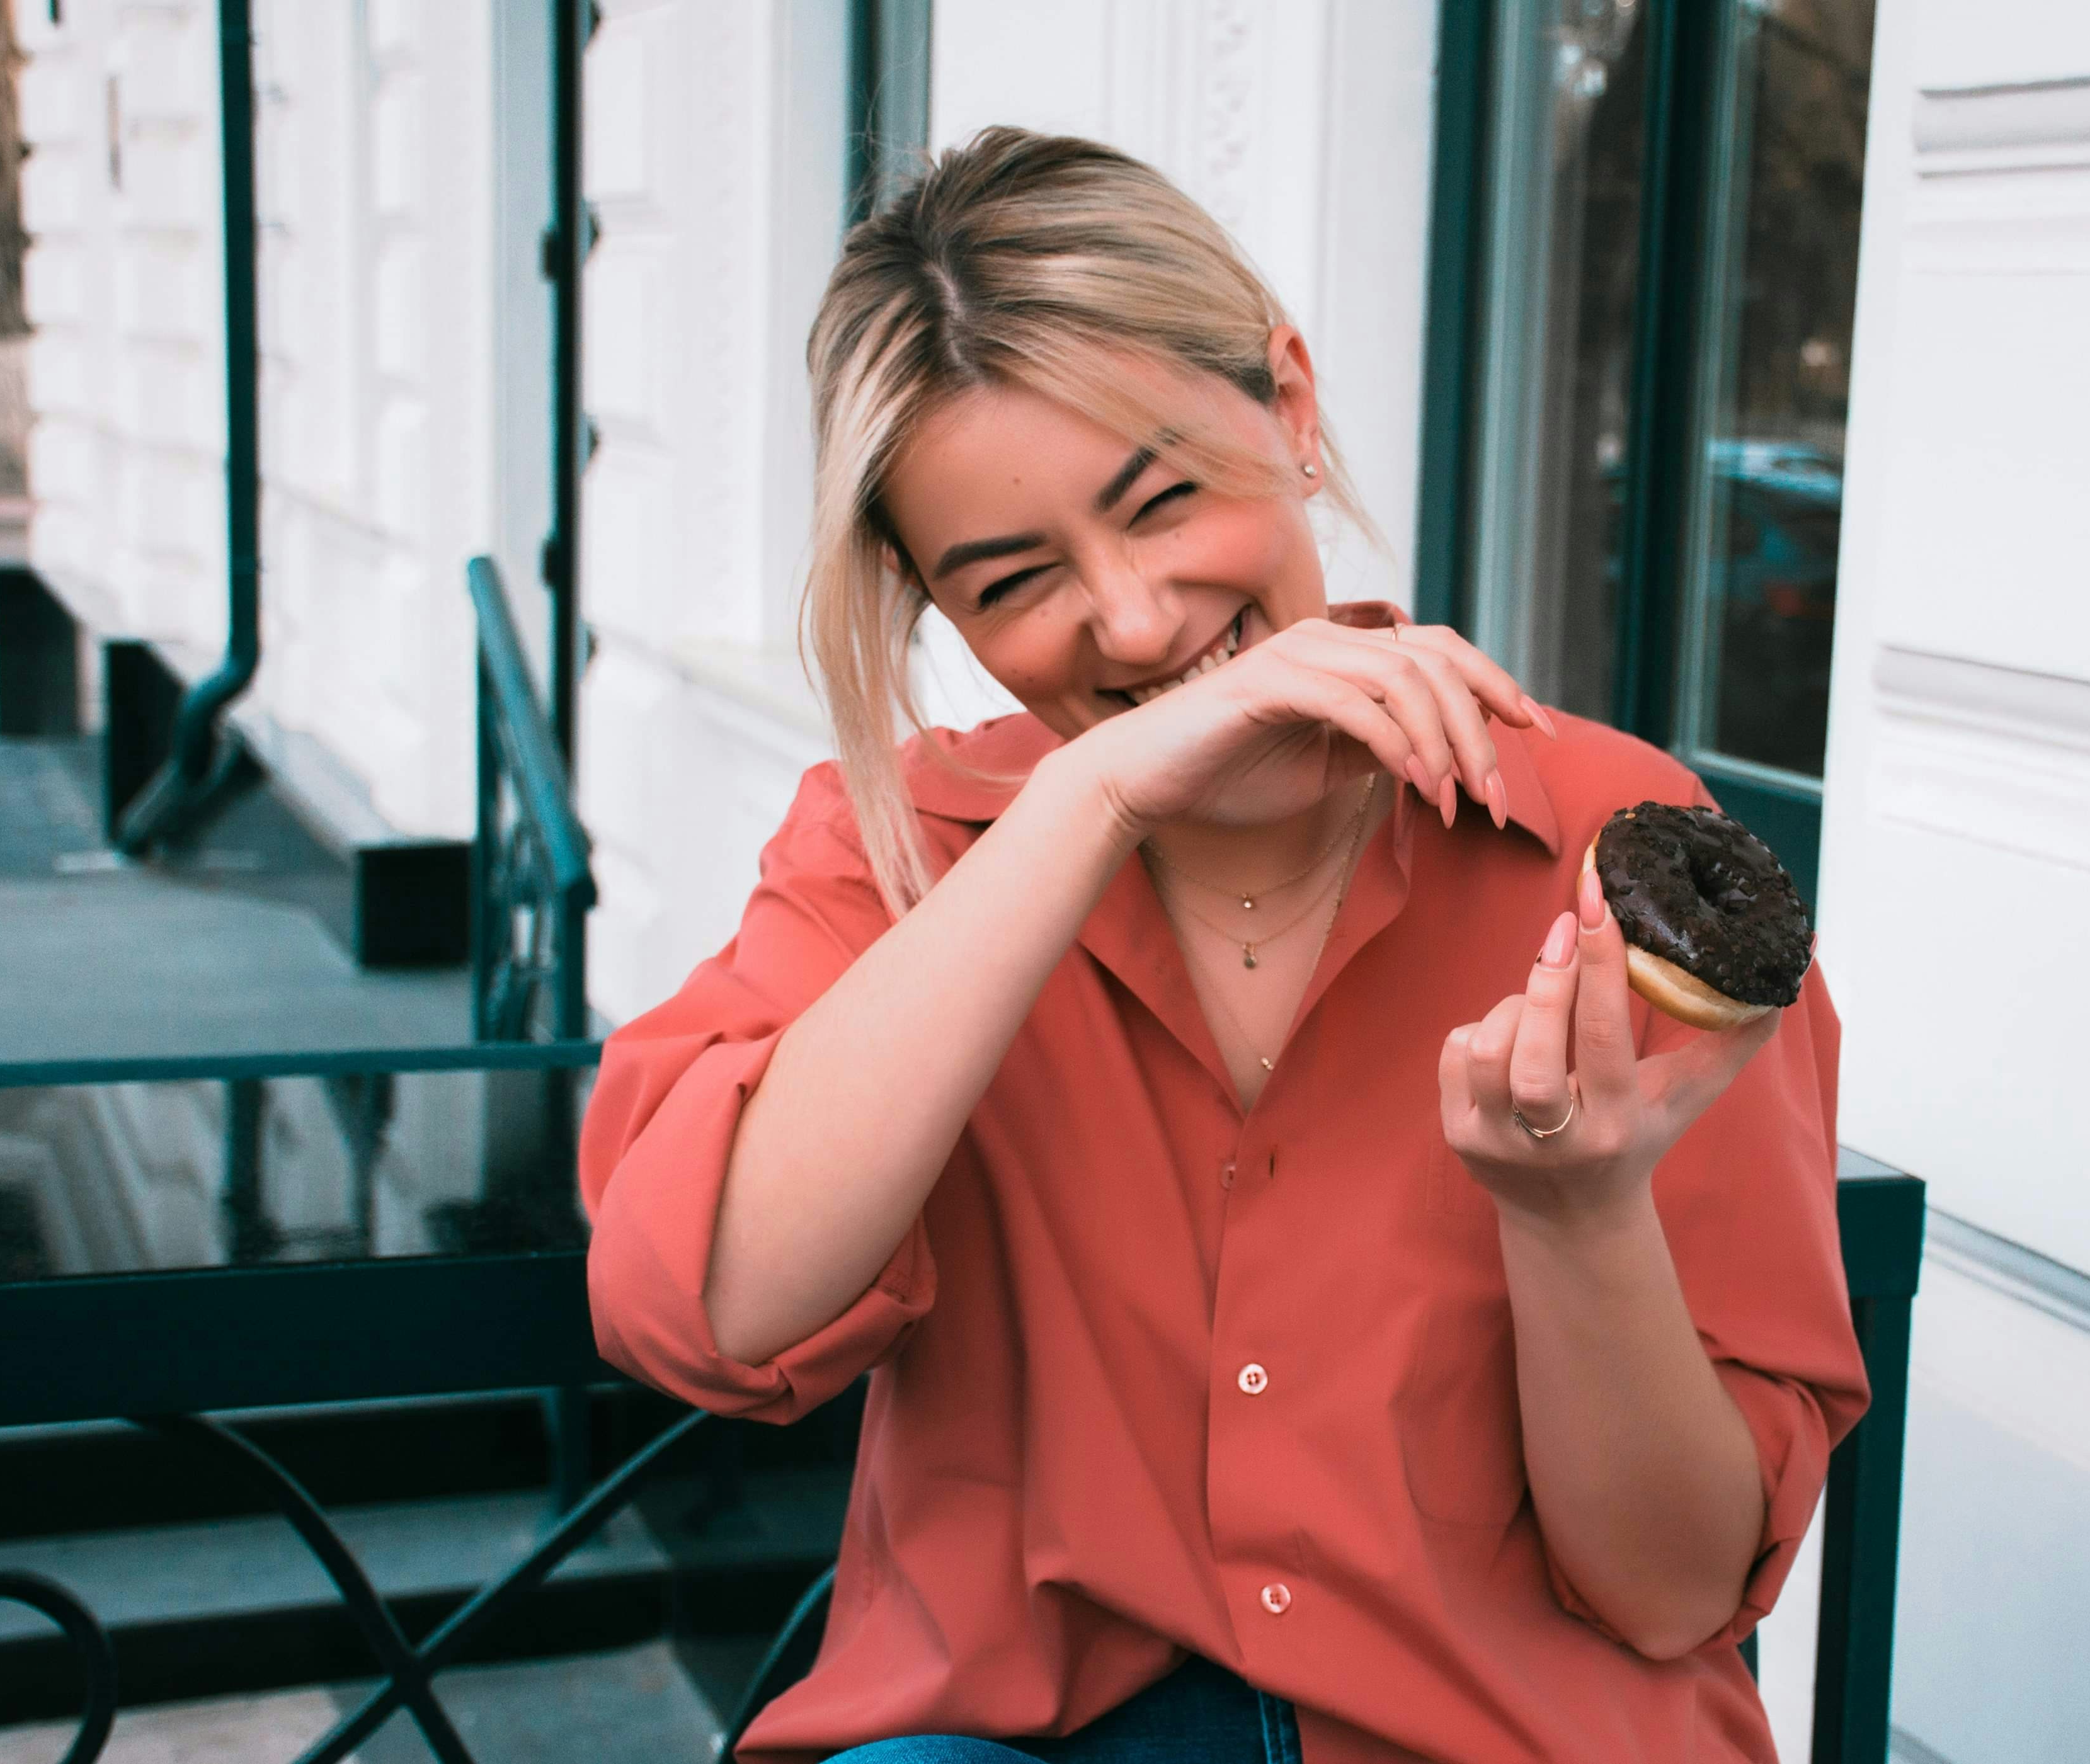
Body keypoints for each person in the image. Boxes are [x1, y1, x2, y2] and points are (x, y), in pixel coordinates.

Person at [581, 128, 1866, 1763]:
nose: (1129, 619)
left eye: (1164, 496)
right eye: (1015, 579)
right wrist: (1090, 795)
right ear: (940, 613)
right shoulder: (900, 856)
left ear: (1294, 407)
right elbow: (701, 1304)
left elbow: (1677, 1587)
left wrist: (1583, 1215)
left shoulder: (1611, 850)